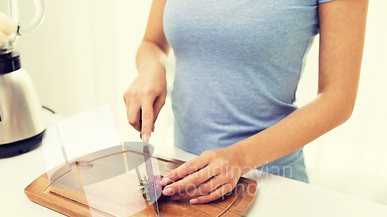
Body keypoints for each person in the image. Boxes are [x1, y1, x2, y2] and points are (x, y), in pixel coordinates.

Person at [123, 0, 369, 204]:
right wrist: (150, 68)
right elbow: (152, 43)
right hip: (185, 182)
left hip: (267, 187)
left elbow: (338, 99)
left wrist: (239, 158)